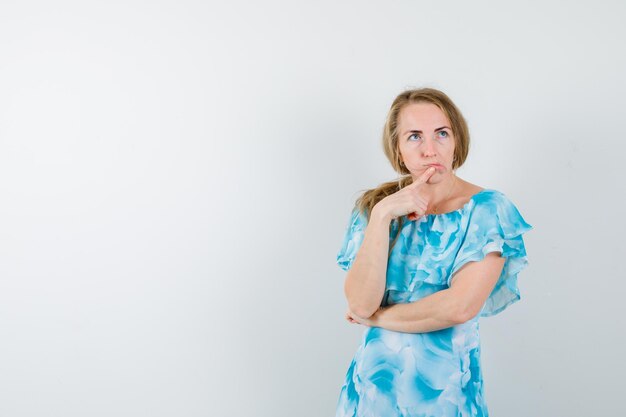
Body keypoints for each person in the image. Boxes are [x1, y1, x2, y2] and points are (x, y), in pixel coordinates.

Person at [334, 87, 533, 417]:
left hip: (445, 397)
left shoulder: (486, 211)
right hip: (370, 394)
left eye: (441, 133)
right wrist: (383, 215)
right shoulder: (376, 209)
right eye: (414, 136)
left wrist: (376, 318)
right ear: (398, 151)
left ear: (456, 142)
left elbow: (458, 307)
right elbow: (359, 301)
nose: (430, 149)